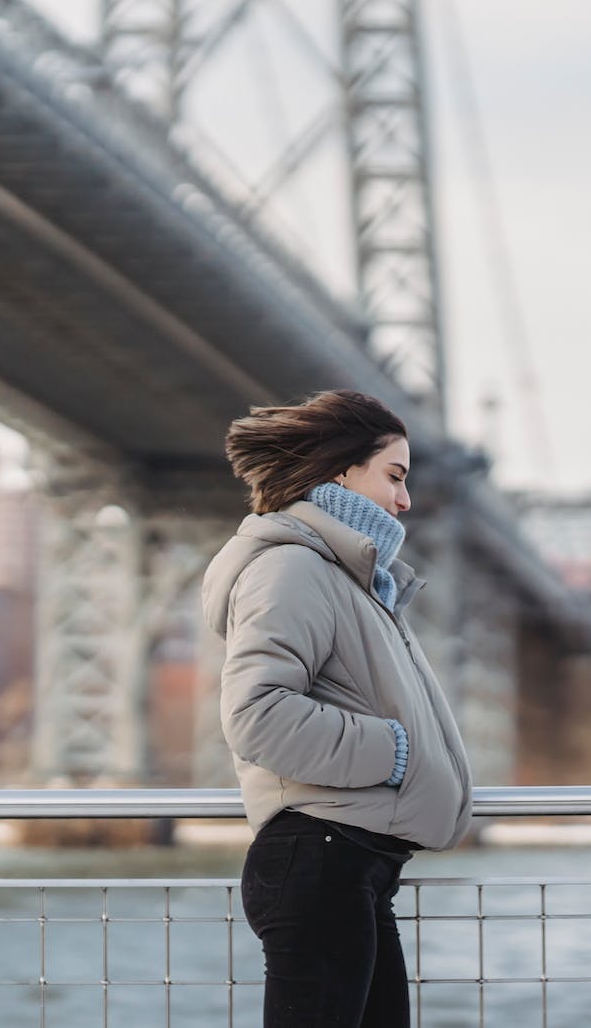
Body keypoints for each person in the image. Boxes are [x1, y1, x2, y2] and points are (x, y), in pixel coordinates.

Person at [202, 389, 473, 1028]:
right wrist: (395, 751)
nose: (405, 500)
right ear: (339, 471)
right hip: (321, 859)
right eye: (395, 476)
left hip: (353, 865)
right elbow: (256, 713)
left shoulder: (352, 577)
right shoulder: (293, 569)